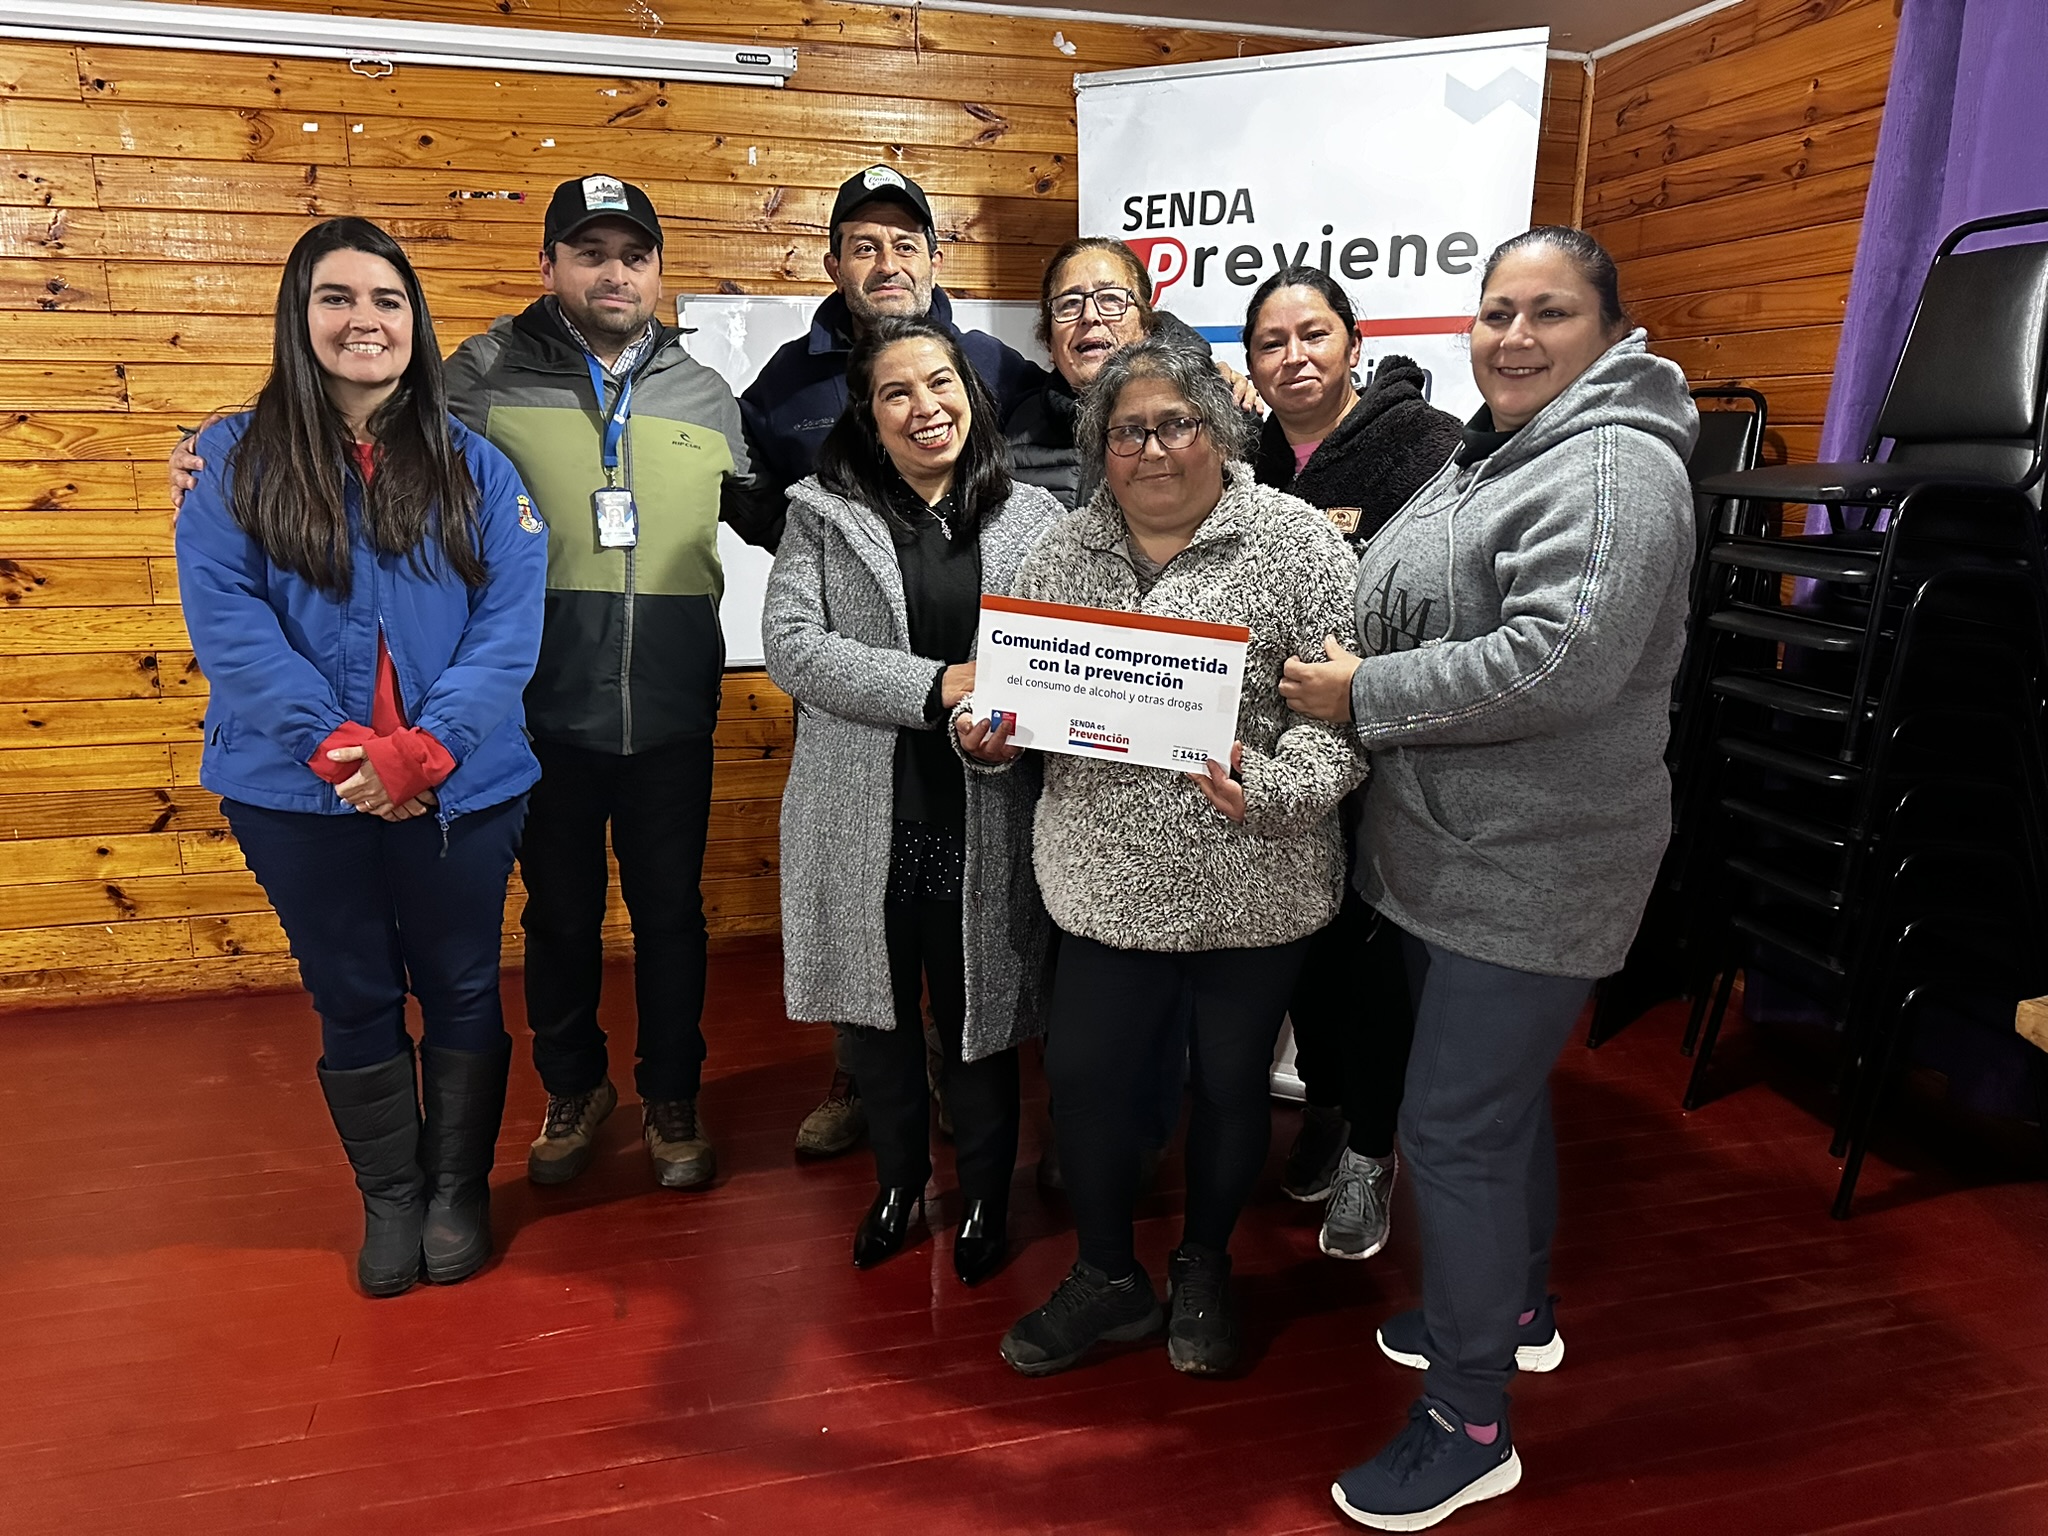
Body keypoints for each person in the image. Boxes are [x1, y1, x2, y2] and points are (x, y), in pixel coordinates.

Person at [175, 176, 777, 1197]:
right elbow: (358, 425)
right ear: (549, 268)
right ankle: (573, 1087)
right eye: (588, 253)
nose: (613, 272)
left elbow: (772, 517)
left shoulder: (707, 394)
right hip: (534, 712)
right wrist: (201, 456)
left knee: (672, 914)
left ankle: (673, 1097)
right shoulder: (475, 379)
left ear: (657, 271)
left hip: (674, 704)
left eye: (632, 254)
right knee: (558, 916)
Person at [1279, 227, 1696, 1529]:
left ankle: (1469, 1426)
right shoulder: (1501, 447)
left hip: (1531, 870)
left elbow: (1559, 657)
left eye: (1549, 312)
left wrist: (1368, 691)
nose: (1513, 335)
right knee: (1497, 1114)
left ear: (1610, 333)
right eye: (1496, 309)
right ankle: (1517, 1312)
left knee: (1451, 1132)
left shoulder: (1617, 466)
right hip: (1447, 855)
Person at [964, 333, 1367, 1378]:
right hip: (1102, 885)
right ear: (1098, 446)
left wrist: (1270, 785)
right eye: (1126, 430)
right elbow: (1019, 708)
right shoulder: (1057, 555)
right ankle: (1107, 1278)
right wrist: (988, 738)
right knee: (1089, 1086)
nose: (1151, 449)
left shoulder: (1297, 546)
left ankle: (1202, 1263)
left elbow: (1346, 726)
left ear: (1219, 431)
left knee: (1231, 1087)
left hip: (1254, 882)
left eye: (1175, 424)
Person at [174, 217, 546, 1297]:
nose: (363, 321)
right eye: (336, 298)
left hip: (461, 788)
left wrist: (424, 753)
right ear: (300, 317)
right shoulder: (230, 458)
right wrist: (345, 752)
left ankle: (452, 1188)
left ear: (414, 321)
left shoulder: (474, 463)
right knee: (350, 994)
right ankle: (389, 1195)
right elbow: (229, 622)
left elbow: (509, 625)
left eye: (385, 300)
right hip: (294, 791)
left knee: (463, 985)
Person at [743, 165, 1053, 1161]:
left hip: (987, 784)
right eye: (862, 243)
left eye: (905, 240)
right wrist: (935, 686)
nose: (923, 407)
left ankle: (981, 1173)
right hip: (858, 771)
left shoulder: (1011, 409)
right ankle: (886, 1139)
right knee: (869, 978)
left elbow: (1100, 432)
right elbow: (790, 631)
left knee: (976, 988)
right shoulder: (796, 429)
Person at [762, 317, 1060, 1284]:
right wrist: (938, 686)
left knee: (979, 1019)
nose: (925, 408)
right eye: (898, 393)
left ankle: (981, 1196)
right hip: (860, 817)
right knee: (876, 1021)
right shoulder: (820, 510)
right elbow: (796, 650)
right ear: (870, 413)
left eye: (942, 385)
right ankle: (896, 1184)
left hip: (983, 814)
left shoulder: (1035, 519)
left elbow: (1058, 664)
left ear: (971, 397)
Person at [1242, 266, 1462, 1261]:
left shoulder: (1426, 448)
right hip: (1275, 751)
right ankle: (1327, 1107)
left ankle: (1371, 1152)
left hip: (1387, 751)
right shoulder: (1237, 451)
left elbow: (1452, 599)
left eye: (1311, 334)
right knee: (1303, 957)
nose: (1292, 356)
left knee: (1373, 965)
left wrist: (1367, 687)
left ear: (1351, 342)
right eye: (1270, 340)